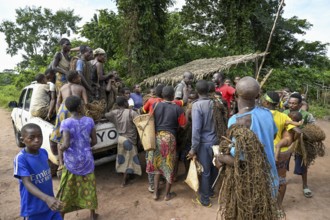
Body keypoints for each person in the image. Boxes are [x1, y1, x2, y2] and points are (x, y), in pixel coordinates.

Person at [56, 95, 98, 219]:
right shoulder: (89, 120)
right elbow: (94, 141)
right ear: (80, 106)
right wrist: (84, 146)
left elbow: (66, 144)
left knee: (67, 188)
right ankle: (92, 215)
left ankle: (62, 215)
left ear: (68, 109)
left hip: (71, 162)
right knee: (89, 186)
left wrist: (60, 147)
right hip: (87, 160)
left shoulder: (66, 123)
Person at [14, 123, 62, 219]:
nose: (37, 140)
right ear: (22, 140)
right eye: (31, 138)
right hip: (34, 209)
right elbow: (27, 183)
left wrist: (49, 199)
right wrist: (46, 198)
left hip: (49, 205)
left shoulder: (43, 152)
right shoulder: (21, 158)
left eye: (39, 136)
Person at [146, 86, 187, 201]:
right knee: (169, 165)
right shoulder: (178, 109)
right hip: (170, 139)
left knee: (157, 165)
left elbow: (150, 120)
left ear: (162, 95)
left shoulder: (155, 105)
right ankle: (167, 195)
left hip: (157, 137)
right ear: (173, 95)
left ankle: (155, 194)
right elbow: (183, 125)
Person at [261, 91, 297, 215]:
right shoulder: (283, 116)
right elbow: (293, 133)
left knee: (261, 179)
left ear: (266, 102)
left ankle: (262, 205)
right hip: (279, 154)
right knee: (281, 180)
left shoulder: (257, 115)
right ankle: (279, 207)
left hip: (261, 153)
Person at [187, 80, 219, 207]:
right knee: (214, 168)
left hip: (204, 143)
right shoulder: (215, 103)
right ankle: (210, 191)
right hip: (215, 141)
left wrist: (193, 148)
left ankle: (205, 200)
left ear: (197, 91)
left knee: (205, 171)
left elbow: (196, 129)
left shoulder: (197, 106)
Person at [49, 71, 88, 175]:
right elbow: (86, 103)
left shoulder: (62, 88)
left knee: (61, 138)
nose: (80, 78)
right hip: (75, 108)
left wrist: (59, 115)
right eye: (78, 76)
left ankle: (61, 164)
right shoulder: (81, 88)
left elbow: (58, 102)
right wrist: (85, 114)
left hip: (63, 109)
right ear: (75, 79)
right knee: (76, 135)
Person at [283, 93, 316, 198]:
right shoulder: (284, 113)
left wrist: (304, 132)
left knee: (302, 162)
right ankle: (282, 181)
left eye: (294, 103)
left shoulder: (307, 115)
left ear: (300, 104)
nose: (291, 105)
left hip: (301, 143)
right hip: (286, 143)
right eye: (290, 103)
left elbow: (313, 128)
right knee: (283, 162)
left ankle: (305, 185)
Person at [105, 96, 142, 187]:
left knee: (123, 158)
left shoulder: (114, 113)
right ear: (125, 103)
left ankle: (130, 175)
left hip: (121, 138)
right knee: (129, 160)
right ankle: (124, 181)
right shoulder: (131, 112)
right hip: (130, 139)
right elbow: (140, 122)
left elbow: (106, 115)